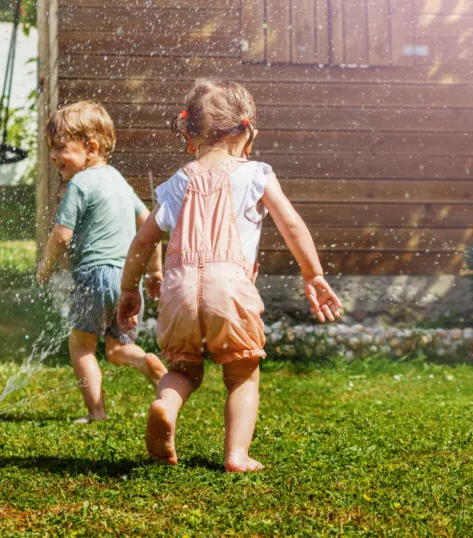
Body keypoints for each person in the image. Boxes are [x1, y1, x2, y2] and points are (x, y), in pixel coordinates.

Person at [117, 79, 343, 471]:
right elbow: (291, 224)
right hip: (231, 289)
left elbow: (141, 242)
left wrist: (129, 289)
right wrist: (313, 273)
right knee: (242, 374)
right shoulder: (256, 173)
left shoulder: (178, 182)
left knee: (182, 369)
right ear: (247, 129)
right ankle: (236, 455)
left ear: (190, 135)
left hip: (179, 291)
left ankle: (166, 404)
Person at [36, 100, 168, 424]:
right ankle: (143, 361)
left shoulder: (79, 183)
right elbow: (150, 223)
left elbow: (61, 236)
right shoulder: (119, 181)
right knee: (116, 350)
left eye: (61, 148)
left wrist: (44, 267)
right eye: (51, 149)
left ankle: (96, 412)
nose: (54, 157)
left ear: (91, 147)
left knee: (81, 345)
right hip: (126, 282)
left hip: (94, 277)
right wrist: (154, 272)